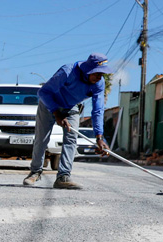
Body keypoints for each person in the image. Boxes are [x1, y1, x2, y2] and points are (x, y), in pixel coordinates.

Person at [23, 53, 113, 189]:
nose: (99, 77)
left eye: (102, 74)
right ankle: (35, 172)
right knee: (41, 139)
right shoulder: (67, 71)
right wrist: (56, 113)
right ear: (88, 69)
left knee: (71, 140)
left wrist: (99, 137)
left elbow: (98, 110)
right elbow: (43, 92)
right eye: (96, 73)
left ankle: (63, 177)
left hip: (71, 107)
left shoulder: (99, 83)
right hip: (49, 104)